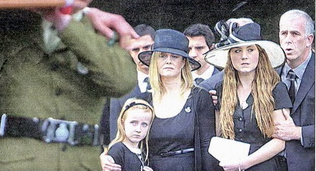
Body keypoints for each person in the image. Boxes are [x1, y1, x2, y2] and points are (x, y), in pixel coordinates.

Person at [0, 0, 137, 170]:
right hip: (9, 162)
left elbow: (121, 82)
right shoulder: (4, 21)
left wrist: (64, 22)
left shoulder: (105, 31)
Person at [103, 29, 219, 171]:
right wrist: (106, 157)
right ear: (154, 61)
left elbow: (207, 145)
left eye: (175, 57)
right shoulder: (143, 100)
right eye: (162, 56)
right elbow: (124, 141)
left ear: (183, 62)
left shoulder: (200, 97)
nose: (168, 61)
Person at [204, 22, 290, 170]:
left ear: (260, 54)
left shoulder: (275, 88)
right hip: (229, 164)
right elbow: (219, 133)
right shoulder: (221, 89)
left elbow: (280, 142)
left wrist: (243, 164)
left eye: (250, 50)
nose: (244, 56)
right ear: (230, 56)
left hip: (265, 166)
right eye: (237, 51)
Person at [273, 9, 314, 171]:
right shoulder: (269, 73)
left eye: (295, 34)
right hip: (270, 163)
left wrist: (298, 133)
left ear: (309, 39)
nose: (288, 40)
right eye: (284, 34)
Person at [103, 24, 155, 144]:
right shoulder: (121, 85)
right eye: (136, 49)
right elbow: (115, 135)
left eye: (147, 47)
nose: (141, 54)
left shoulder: (170, 82)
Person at [107, 98, 154, 171]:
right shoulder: (117, 150)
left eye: (144, 124)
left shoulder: (144, 152)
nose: (138, 129)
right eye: (133, 123)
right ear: (123, 123)